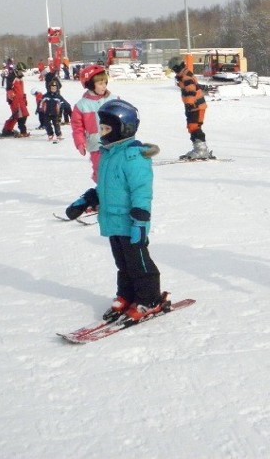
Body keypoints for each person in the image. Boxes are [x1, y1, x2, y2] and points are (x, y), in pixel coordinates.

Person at [64, 99, 171, 322]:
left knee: (140, 263)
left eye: (106, 128)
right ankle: (127, 294)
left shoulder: (134, 157)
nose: (102, 133)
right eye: (101, 127)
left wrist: (141, 220)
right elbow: (106, 186)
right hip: (112, 221)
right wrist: (88, 198)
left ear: (124, 128)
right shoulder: (108, 154)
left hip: (132, 223)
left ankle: (150, 298)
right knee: (123, 263)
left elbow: (141, 191)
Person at [71, 65, 117, 182]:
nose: (104, 86)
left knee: (116, 171)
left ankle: (117, 196)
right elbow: (77, 127)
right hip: (96, 145)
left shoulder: (113, 99)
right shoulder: (82, 105)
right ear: (91, 84)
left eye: (105, 83)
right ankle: (102, 193)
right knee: (100, 171)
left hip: (115, 143)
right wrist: (80, 143)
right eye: (100, 83)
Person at [167, 56, 213, 160]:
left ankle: (201, 150)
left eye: (174, 69)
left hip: (195, 106)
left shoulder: (185, 76)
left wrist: (189, 104)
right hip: (196, 106)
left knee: (194, 126)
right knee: (193, 126)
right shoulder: (185, 74)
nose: (174, 72)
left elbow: (191, 90)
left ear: (177, 67)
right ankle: (200, 149)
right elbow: (194, 86)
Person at [0, 64, 30, 137]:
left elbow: (21, 90)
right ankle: (22, 131)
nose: (22, 73)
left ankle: (7, 130)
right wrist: (11, 96)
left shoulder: (20, 77)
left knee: (22, 115)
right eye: (21, 71)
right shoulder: (11, 77)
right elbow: (9, 88)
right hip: (15, 100)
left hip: (21, 100)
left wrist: (24, 98)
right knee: (19, 116)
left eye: (23, 71)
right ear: (17, 70)